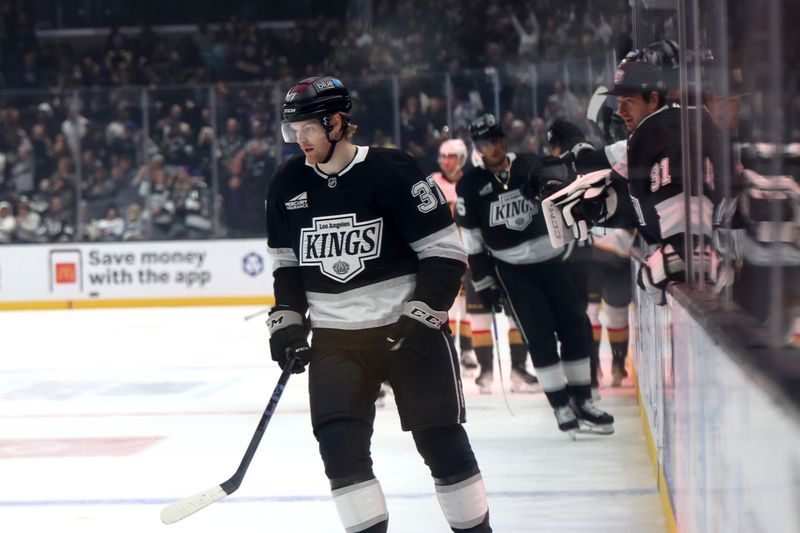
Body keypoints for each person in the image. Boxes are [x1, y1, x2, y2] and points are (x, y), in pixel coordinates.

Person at [265, 76, 491, 533]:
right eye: (293, 131)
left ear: (336, 122)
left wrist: (422, 314)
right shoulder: (287, 184)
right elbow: (287, 268)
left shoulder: (395, 170)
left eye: (307, 128)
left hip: (408, 336)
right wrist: (287, 324)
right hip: (336, 344)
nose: (300, 141)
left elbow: (446, 254)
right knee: (339, 450)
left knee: (442, 442)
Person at [456, 113, 614, 437]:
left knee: (573, 326)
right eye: (484, 143)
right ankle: (560, 404)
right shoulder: (470, 185)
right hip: (513, 271)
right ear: (478, 148)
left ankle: (583, 399)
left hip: (555, 261)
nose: (492, 147)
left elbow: (563, 197)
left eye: (495, 139)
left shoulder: (530, 164)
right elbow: (472, 238)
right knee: (539, 336)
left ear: (503, 139)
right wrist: (483, 279)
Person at [434, 138, 538, 392]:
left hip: (505, 259)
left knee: (515, 314)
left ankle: (516, 368)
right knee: (478, 315)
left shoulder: (501, 182)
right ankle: (486, 370)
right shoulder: (460, 185)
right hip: (474, 259)